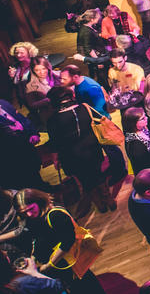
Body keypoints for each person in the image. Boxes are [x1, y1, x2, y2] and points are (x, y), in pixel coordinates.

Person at [0, 189, 113, 294]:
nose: (29, 214)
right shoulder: (30, 217)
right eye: (24, 212)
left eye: (30, 209)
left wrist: (50, 265)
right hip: (59, 264)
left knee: (86, 286)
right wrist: (33, 258)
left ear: (38, 201)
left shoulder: (55, 214)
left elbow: (67, 242)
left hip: (69, 261)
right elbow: (36, 237)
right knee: (75, 290)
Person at [46, 86, 117, 215]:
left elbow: (55, 143)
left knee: (86, 181)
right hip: (92, 150)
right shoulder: (84, 108)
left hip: (72, 156)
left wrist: (55, 159)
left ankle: (100, 205)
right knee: (99, 175)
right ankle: (109, 200)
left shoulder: (53, 120)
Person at [0, 90, 45, 191]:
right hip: (14, 157)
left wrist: (32, 133)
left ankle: (44, 189)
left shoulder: (3, 103)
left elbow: (22, 119)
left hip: (28, 147)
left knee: (35, 173)